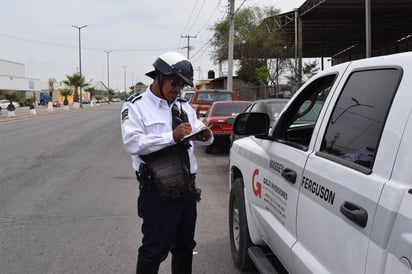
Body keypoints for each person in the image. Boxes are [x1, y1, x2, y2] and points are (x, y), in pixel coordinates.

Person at [120, 52, 213, 274]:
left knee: (184, 248)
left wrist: (205, 135)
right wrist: (172, 136)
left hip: (186, 189)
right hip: (157, 192)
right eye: (174, 82)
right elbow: (133, 143)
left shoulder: (182, 106)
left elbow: (199, 131)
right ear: (160, 76)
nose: (177, 88)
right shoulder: (136, 106)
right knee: (154, 250)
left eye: (181, 84)